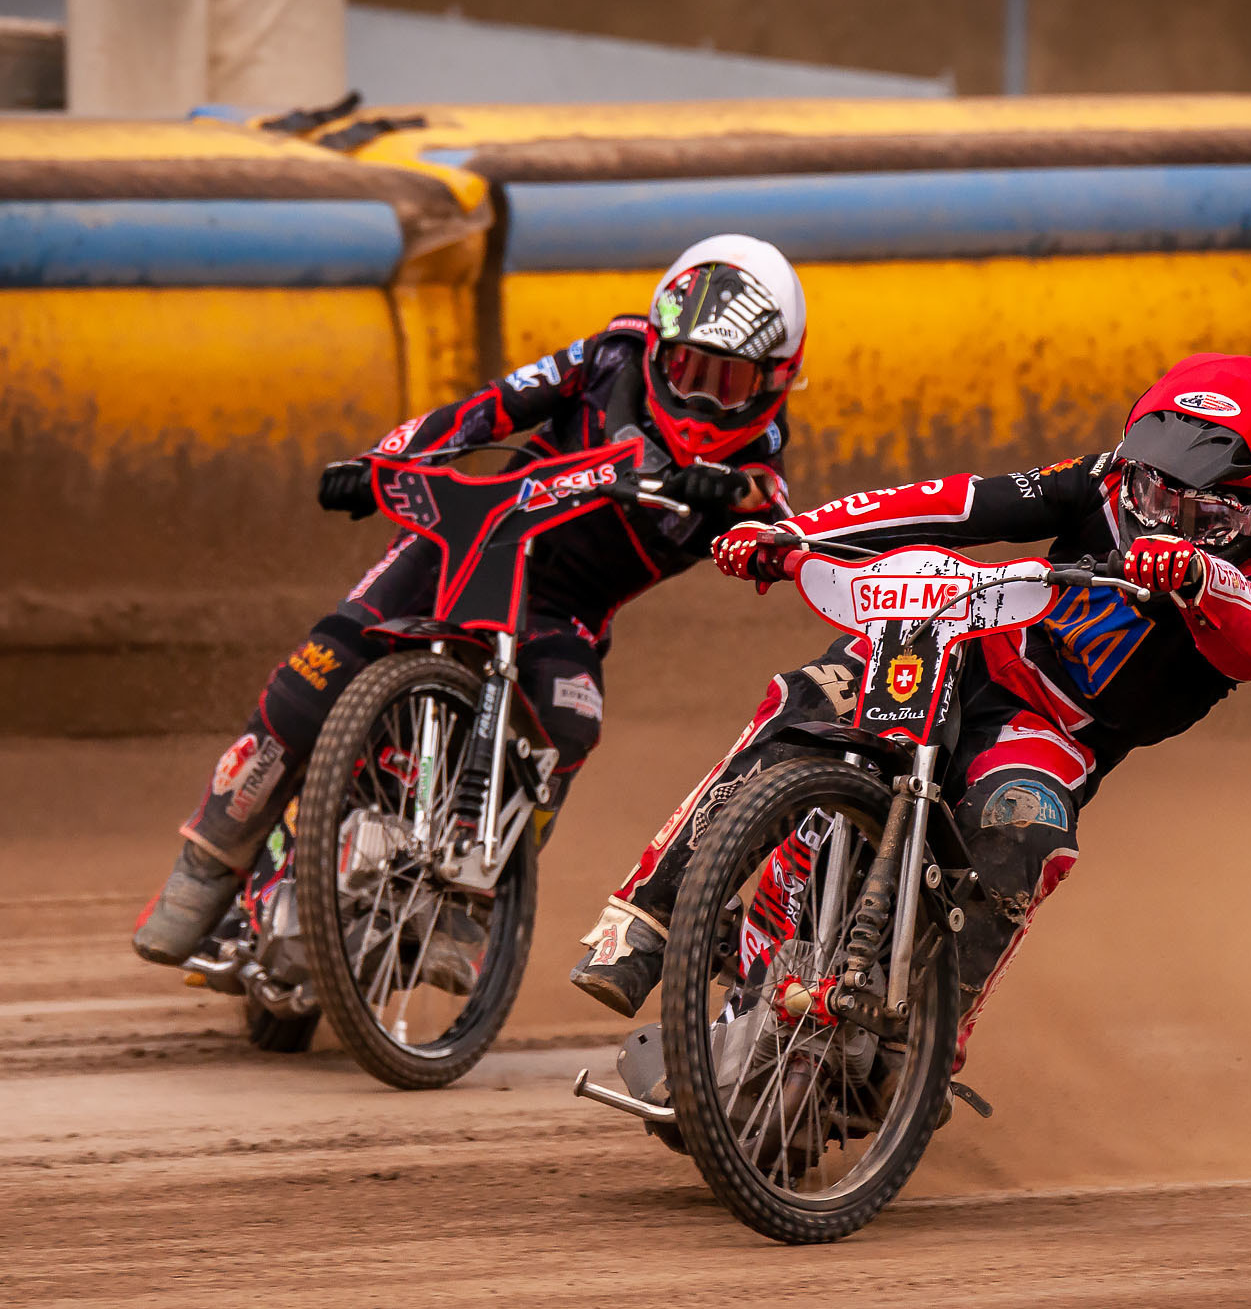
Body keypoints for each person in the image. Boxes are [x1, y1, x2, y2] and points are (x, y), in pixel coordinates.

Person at [569, 352, 1251, 1071]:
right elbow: (959, 502)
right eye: (1152, 487)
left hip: (1050, 736)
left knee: (1027, 825)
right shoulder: (1098, 481)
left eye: (1197, 507)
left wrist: (1196, 573)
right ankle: (643, 922)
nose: (1159, 514)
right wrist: (796, 536)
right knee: (812, 693)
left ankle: (930, 1041)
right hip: (953, 646)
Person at [133, 234, 808, 966]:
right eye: (687, 368)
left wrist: (742, 510)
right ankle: (209, 857)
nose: (703, 395)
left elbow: (771, 510)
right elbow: (488, 408)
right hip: (463, 546)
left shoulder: (757, 457)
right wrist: (380, 461)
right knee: (315, 673)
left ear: (776, 380)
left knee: (572, 721)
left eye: (730, 381)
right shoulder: (609, 354)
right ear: (657, 346)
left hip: (564, 608)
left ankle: (475, 896)